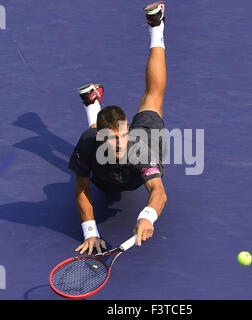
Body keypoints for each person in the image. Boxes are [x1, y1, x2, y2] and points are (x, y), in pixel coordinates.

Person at [68, 1, 167, 255]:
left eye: (123, 134)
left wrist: (147, 216)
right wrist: (91, 232)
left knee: (153, 97)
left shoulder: (136, 147)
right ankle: (92, 103)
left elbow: (158, 191)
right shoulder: (91, 140)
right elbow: (81, 186)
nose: (122, 142)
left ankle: (156, 27)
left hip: (136, 156)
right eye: (114, 138)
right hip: (106, 177)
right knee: (95, 143)